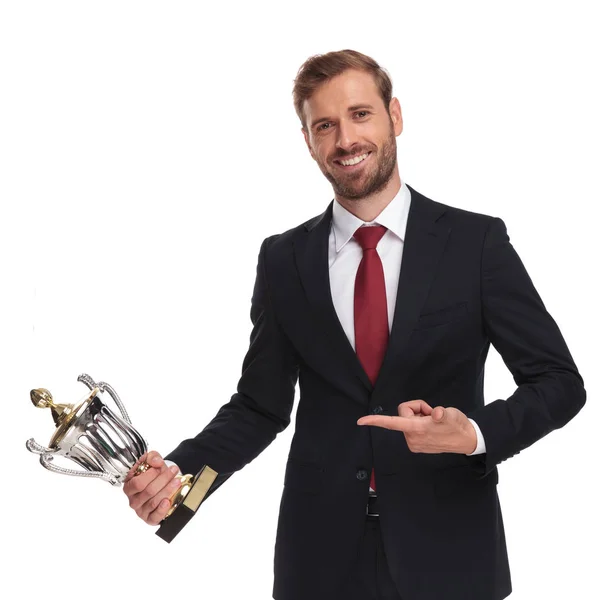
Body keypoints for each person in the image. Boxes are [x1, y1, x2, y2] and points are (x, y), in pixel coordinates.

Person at [123, 49, 586, 600]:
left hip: (451, 551)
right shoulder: (282, 259)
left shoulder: (474, 244)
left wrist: (475, 435)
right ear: (308, 140)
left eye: (360, 115)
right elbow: (260, 406)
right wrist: (179, 475)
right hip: (318, 559)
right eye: (325, 125)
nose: (345, 139)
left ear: (395, 116)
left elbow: (559, 383)